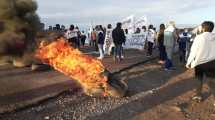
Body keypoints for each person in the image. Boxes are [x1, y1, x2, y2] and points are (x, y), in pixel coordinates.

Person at [186, 21, 215, 101]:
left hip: (200, 62)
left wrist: (189, 62)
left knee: (199, 79)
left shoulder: (199, 37)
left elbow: (193, 51)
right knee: (212, 82)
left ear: (203, 28)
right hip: (212, 62)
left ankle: (198, 95)